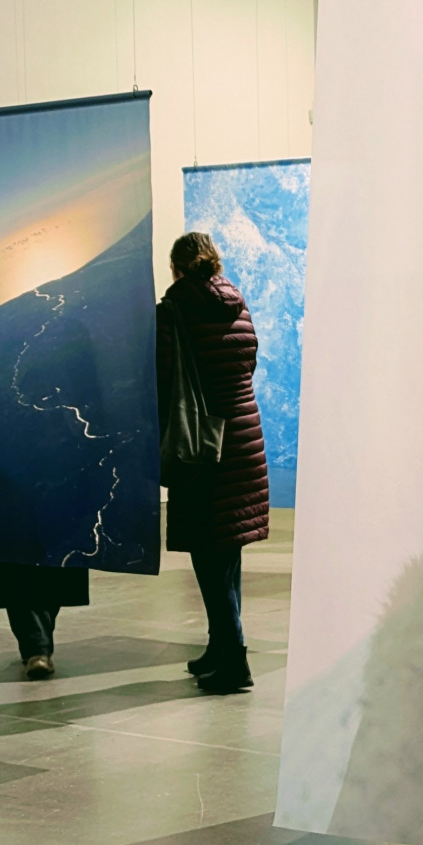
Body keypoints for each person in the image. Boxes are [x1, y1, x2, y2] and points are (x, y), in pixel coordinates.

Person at [155, 231, 270, 693]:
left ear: (176, 268)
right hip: (243, 436)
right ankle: (219, 646)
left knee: (209, 555)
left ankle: (234, 661)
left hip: (202, 444)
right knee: (227, 552)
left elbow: (164, 378)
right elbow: (248, 364)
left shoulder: (174, 310)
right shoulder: (237, 304)